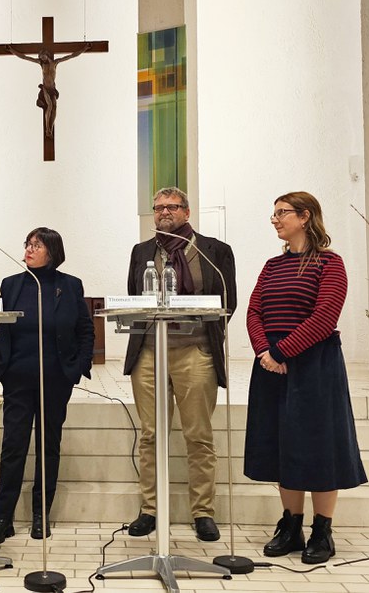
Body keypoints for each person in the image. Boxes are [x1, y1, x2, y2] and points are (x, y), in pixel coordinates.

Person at [244, 191, 366, 564]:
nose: (275, 219)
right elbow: (253, 311)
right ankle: (291, 526)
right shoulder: (272, 266)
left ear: (305, 216)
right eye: (273, 213)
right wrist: (264, 352)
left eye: (282, 213)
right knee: (282, 444)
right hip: (271, 365)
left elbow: (324, 316)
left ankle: (322, 530)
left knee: (319, 446)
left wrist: (282, 352)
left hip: (314, 366)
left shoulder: (330, 263)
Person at [124, 187, 236, 542]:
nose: (164, 212)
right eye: (158, 208)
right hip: (148, 353)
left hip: (195, 351)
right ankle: (150, 509)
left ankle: (203, 512)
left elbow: (228, 302)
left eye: (171, 207)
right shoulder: (142, 251)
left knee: (198, 435)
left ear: (187, 212)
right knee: (150, 434)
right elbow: (135, 297)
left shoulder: (214, 250)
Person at [0, 228, 94, 545]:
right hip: (18, 377)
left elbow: (85, 330)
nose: (29, 250)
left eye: (37, 245)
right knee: (13, 447)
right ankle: (2, 519)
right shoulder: (11, 284)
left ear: (53, 251)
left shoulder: (69, 285)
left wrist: (77, 367)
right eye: (28, 244)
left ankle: (40, 514)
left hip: (56, 378)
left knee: (48, 446)